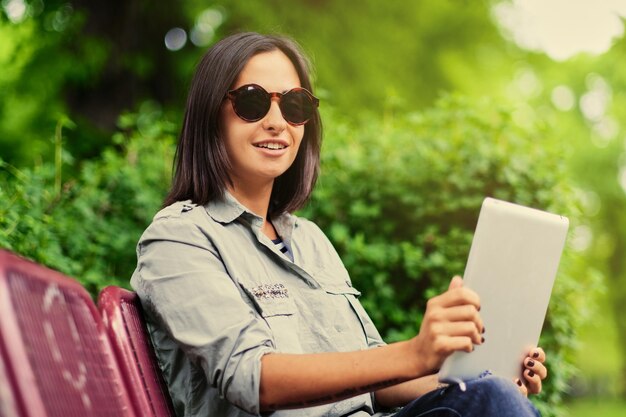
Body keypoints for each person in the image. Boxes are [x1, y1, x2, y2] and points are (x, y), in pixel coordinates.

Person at [130, 32, 546, 417]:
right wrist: (415, 353)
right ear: (210, 115)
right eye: (253, 102)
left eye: (293, 106)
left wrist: (475, 374)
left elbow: (376, 386)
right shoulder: (179, 238)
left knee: (493, 393)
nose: (277, 122)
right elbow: (250, 377)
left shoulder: (308, 240)